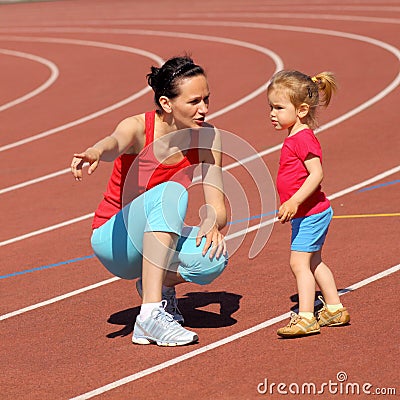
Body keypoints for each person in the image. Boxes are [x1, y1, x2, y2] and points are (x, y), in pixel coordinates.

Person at [70, 56, 228, 346]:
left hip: (154, 237)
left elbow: (218, 207)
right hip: (115, 240)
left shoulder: (208, 137)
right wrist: (95, 151)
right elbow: (113, 142)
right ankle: (150, 317)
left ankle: (157, 285)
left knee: (213, 257)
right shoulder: (139, 128)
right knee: (172, 192)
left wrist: (211, 221)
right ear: (167, 103)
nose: (204, 109)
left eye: (207, 99)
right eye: (194, 102)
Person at [267, 70, 350, 338]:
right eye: (271, 107)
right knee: (314, 262)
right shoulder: (294, 136)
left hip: (311, 212)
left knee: (298, 263)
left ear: (301, 110)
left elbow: (317, 174)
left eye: (279, 107)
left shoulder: (302, 138)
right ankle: (334, 308)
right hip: (308, 213)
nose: (272, 113)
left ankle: (305, 317)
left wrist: (294, 201)